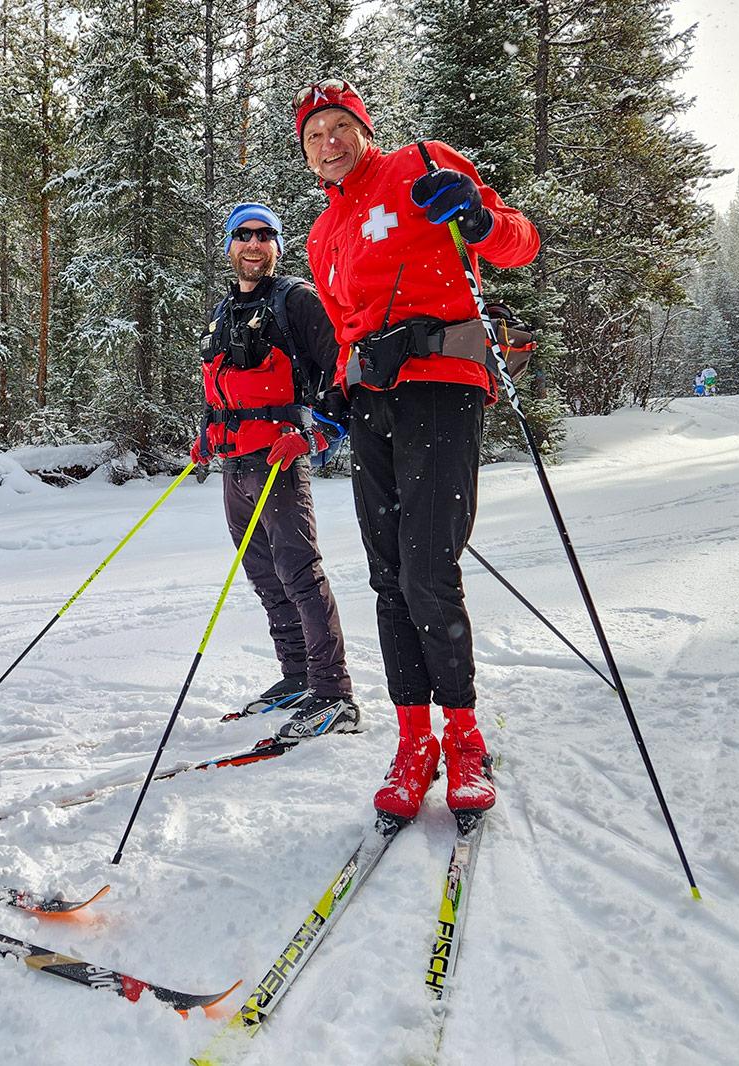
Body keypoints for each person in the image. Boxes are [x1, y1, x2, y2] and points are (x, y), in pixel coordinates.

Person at [292, 80, 539, 821]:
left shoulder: (420, 164)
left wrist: (478, 217)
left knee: (429, 568)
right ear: (305, 154)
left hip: (441, 385)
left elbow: (518, 242)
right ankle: (413, 740)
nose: (329, 143)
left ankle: (464, 737)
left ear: (364, 130)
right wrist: (337, 391)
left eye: (340, 126)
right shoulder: (321, 234)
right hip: (373, 403)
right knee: (388, 575)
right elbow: (345, 326)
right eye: (314, 135)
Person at [192, 203, 358, 738]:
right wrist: (207, 432)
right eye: (243, 234)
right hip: (234, 465)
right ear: (229, 244)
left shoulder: (296, 300)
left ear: (277, 247)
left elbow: (342, 367)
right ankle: (298, 675)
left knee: (300, 574)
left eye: (265, 235)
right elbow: (220, 384)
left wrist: (319, 432)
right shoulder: (223, 311)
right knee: (265, 576)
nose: (254, 244)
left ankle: (334, 693)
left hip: (279, 463)